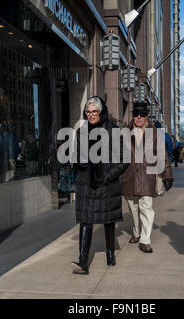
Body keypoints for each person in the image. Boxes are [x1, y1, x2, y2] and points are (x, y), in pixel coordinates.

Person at [71, 96, 129, 275]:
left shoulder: (113, 131)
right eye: (88, 112)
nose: (91, 115)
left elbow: (124, 160)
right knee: (85, 220)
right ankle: (82, 261)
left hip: (106, 183)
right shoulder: (81, 131)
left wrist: (107, 177)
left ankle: (110, 254)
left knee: (108, 219)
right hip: (85, 183)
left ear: (101, 112)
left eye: (94, 111)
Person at [120, 103, 174, 253]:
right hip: (129, 176)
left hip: (147, 176)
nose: (139, 117)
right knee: (133, 207)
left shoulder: (155, 133)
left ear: (146, 116)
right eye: (136, 114)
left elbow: (163, 155)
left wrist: (167, 176)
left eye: (142, 114)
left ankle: (145, 240)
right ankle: (136, 232)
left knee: (146, 208)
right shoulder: (124, 132)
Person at [154, 121, 173, 195]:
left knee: (153, 173)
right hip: (162, 156)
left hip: (152, 156)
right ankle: (159, 190)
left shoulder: (151, 134)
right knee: (160, 174)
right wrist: (168, 154)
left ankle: (153, 190)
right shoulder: (165, 135)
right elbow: (169, 146)